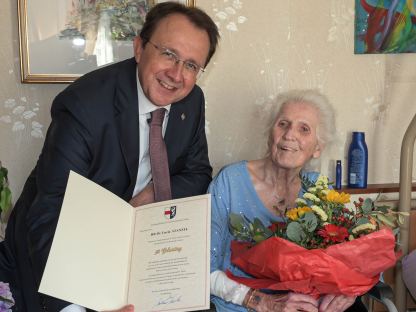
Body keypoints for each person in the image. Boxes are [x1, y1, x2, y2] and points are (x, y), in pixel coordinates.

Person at [0, 2, 219, 311]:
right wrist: (73, 307)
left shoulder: (191, 101)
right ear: (140, 48)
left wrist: (148, 196)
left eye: (191, 65)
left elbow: (197, 173)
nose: (176, 74)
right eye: (169, 54)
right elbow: (51, 212)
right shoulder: (84, 105)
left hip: (138, 247)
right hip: (64, 247)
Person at [209, 89, 359, 312]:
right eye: (283, 124)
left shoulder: (320, 189)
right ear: (270, 133)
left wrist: (348, 290)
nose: (290, 135)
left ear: (317, 148)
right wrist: (260, 301)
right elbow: (203, 268)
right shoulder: (230, 181)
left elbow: (355, 257)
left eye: (304, 129)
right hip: (242, 305)